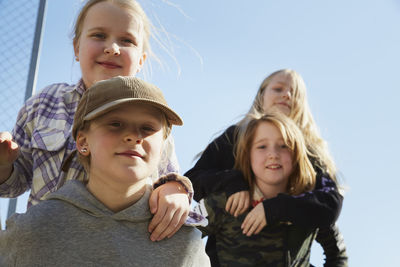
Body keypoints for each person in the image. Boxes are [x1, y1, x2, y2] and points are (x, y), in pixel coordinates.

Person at [0, 0, 190, 241]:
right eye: (99, 35)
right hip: (47, 243)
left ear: (141, 60)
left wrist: (176, 189)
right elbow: (15, 184)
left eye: (126, 40)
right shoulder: (44, 103)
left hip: (120, 249)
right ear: (77, 47)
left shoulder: (152, 120)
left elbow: (169, 177)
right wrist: (3, 166)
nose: (112, 47)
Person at [0, 76, 211, 267]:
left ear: (163, 147)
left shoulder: (185, 242)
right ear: (82, 141)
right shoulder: (33, 229)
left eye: (148, 128)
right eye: (115, 124)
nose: (134, 136)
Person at [185, 69, 348, 266]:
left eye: (294, 93)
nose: (287, 95)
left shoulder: (310, 151)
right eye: (278, 88)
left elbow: (330, 203)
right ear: (261, 95)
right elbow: (194, 180)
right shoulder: (235, 136)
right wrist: (235, 182)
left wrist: (275, 208)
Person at [198, 112, 320, 266]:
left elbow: (337, 253)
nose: (273, 155)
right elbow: (180, 234)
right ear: (248, 155)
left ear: (296, 154)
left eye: (284, 146)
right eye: (262, 146)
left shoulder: (309, 206)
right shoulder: (222, 202)